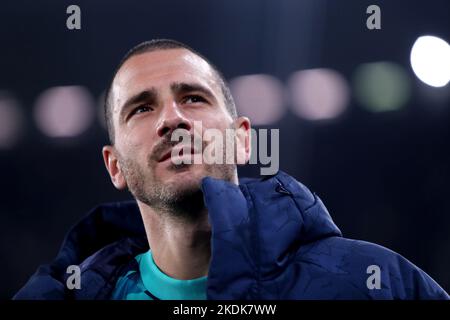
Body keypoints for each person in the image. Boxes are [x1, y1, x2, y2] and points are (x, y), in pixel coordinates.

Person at [14, 39, 449, 300]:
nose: (172, 119)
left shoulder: (374, 283)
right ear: (114, 166)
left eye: (193, 98)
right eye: (142, 107)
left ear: (242, 139)